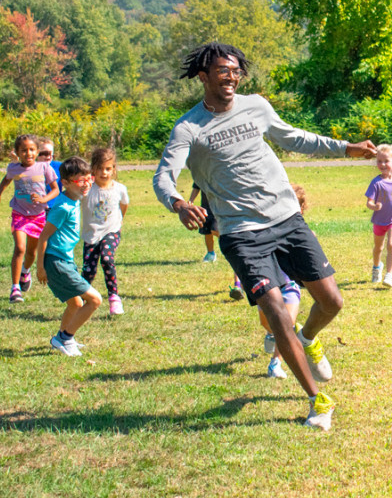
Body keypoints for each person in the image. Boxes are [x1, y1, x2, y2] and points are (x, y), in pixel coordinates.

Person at [153, 42, 376, 431]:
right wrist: (178, 203)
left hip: (287, 218)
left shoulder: (256, 105)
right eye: (223, 70)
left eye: (236, 70)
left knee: (332, 302)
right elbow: (163, 176)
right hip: (241, 232)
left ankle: (309, 338)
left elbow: (295, 138)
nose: (231, 76)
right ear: (203, 76)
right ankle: (316, 401)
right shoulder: (189, 127)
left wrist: (345, 148)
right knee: (275, 313)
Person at [36, 157, 103, 357]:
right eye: (80, 181)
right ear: (64, 183)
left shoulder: (74, 201)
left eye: (88, 179)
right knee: (95, 300)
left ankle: (66, 338)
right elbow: (43, 237)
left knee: (76, 303)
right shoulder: (62, 207)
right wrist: (40, 267)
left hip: (65, 261)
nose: (86, 185)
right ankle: (63, 338)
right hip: (56, 262)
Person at [0, 134, 60, 303]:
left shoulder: (44, 168)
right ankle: (15, 288)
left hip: (38, 216)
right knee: (20, 248)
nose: (28, 153)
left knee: (31, 252)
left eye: (32, 150)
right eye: (24, 150)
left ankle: (25, 272)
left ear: (37, 151)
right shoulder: (14, 168)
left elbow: (55, 189)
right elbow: (6, 181)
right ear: (17, 153)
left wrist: (44, 199)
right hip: (19, 214)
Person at [262, 184, 310, 379]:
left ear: (300, 209)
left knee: (286, 325)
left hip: (290, 285)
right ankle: (271, 334)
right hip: (268, 285)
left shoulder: (303, 233)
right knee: (267, 323)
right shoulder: (264, 229)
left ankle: (276, 363)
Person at [81, 147, 130, 316]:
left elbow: (124, 205)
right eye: (100, 169)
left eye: (108, 169)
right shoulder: (86, 191)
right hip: (91, 234)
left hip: (112, 231)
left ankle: (114, 298)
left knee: (107, 259)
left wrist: (119, 221)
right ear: (93, 169)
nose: (104, 173)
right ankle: (82, 301)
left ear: (113, 169)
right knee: (88, 270)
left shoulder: (120, 189)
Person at [188, 183, 244, 299]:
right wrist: (191, 201)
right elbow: (197, 186)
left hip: (221, 211)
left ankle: (238, 284)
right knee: (207, 232)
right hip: (206, 209)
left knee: (218, 234)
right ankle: (211, 253)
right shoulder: (202, 170)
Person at [365, 144, 392, 288]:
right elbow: (369, 202)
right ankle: (377, 267)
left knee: (391, 244)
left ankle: (389, 275)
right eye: (379, 161)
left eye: (386, 161)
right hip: (379, 221)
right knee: (378, 248)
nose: (382, 164)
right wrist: (374, 206)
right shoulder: (376, 182)